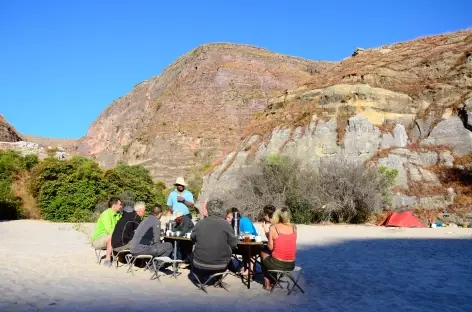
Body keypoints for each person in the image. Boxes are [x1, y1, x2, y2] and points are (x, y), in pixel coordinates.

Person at [190, 201, 239, 284]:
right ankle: (217, 278)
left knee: (193, 254)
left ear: (208, 210)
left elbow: (192, 238)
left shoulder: (200, 223)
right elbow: (233, 244)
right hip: (220, 266)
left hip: (199, 264)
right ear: (221, 210)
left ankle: (201, 277)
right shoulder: (226, 225)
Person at [261, 207, 297, 291]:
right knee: (272, 256)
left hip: (278, 264)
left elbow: (270, 247)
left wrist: (266, 231)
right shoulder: (294, 228)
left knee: (263, 252)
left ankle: (267, 284)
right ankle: (273, 280)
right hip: (291, 265)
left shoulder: (274, 228)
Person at [167, 177, 195, 260]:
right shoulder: (172, 194)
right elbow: (169, 205)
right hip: (176, 218)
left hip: (186, 216)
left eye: (182, 185)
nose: (180, 186)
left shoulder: (188, 193)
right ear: (176, 185)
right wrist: (173, 213)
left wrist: (183, 201)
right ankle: (178, 258)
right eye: (179, 185)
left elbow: (192, 206)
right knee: (176, 236)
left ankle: (187, 258)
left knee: (186, 238)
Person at [226, 207, 258, 277]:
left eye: (229, 217)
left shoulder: (244, 221)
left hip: (253, 244)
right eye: (227, 217)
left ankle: (250, 270)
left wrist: (239, 234)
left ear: (235, 216)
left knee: (248, 248)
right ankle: (244, 267)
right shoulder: (231, 224)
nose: (227, 219)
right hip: (240, 245)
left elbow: (249, 234)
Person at [91, 197, 123, 266]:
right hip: (98, 239)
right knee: (111, 236)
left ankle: (122, 258)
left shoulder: (118, 215)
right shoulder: (106, 214)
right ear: (114, 205)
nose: (121, 206)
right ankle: (107, 259)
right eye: (120, 204)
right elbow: (109, 231)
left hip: (111, 238)